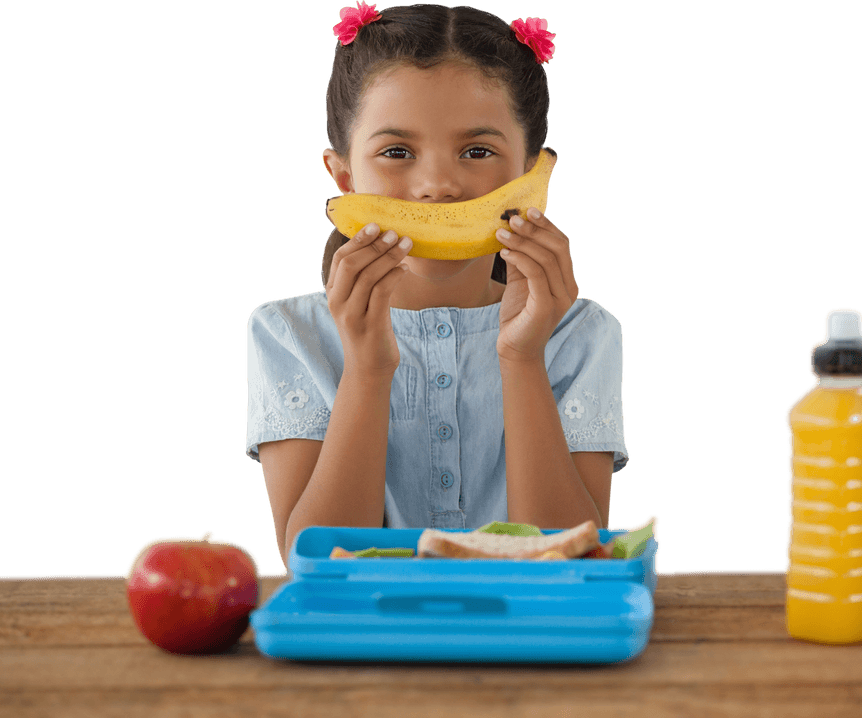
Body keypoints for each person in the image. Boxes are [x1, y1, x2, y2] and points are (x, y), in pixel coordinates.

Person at [245, 2, 628, 566]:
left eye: (478, 151)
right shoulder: (286, 334)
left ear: (528, 178)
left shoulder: (580, 334)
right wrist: (368, 368)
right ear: (346, 178)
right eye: (396, 152)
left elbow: (568, 558)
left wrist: (522, 357)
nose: (438, 185)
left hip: (531, 650)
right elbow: (317, 562)